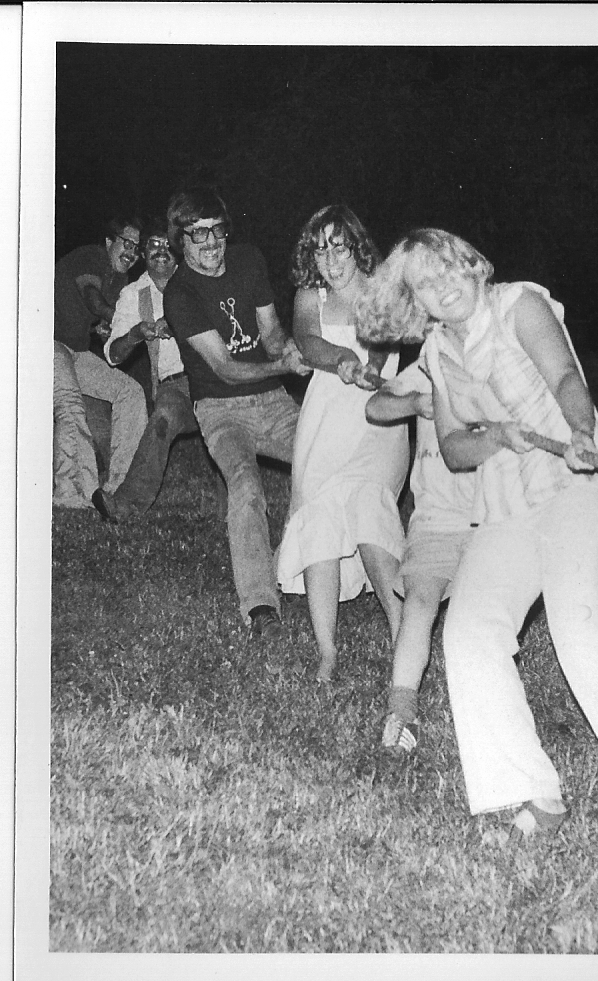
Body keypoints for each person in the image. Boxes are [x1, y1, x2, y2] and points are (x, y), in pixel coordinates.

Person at [356, 228, 598, 838]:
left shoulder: (520, 304)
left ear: (471, 264)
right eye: (424, 283)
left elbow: (566, 378)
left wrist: (580, 431)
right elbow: (453, 448)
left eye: (447, 268)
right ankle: (533, 791)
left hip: (576, 489)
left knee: (577, 628)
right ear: (415, 300)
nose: (442, 286)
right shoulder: (437, 354)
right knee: (469, 631)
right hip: (504, 512)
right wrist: (497, 436)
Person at [163, 187, 310, 640]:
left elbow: (271, 332)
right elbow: (225, 369)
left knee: (323, 461)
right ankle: (261, 604)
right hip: (220, 408)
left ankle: (289, 563)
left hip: (273, 399)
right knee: (245, 486)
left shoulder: (248, 260)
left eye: (217, 230)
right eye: (197, 233)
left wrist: (291, 352)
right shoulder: (179, 293)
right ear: (181, 241)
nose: (210, 242)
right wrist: (282, 366)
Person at [276, 206, 409, 683]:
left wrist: (369, 363)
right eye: (320, 250)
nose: (330, 260)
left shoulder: (384, 292)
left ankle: (403, 635)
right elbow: (308, 340)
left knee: (370, 507)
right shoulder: (309, 297)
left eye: (339, 247)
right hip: (325, 420)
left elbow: (385, 339)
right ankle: (327, 651)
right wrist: (342, 358)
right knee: (319, 512)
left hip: (377, 419)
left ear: (357, 246)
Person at [365, 359, 477, 751]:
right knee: (418, 602)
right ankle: (402, 709)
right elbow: (376, 406)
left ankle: (486, 702)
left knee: (480, 616)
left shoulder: (501, 362)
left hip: (492, 518)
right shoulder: (431, 363)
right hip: (435, 520)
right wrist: (415, 402)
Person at [94, 218, 226, 522]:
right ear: (143, 252)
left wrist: (182, 322)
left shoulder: (198, 277)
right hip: (175, 388)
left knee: (227, 429)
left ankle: (234, 508)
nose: (162, 250)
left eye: (168, 244)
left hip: (213, 374)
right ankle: (124, 506)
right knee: (162, 418)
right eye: (154, 244)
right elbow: (113, 355)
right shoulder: (133, 294)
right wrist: (137, 333)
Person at [53, 215, 148, 511]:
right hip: (45, 342)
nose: (131, 253)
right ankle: (71, 491)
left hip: (75, 351)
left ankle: (119, 486)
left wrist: (102, 329)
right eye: (126, 243)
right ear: (109, 242)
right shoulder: (90, 256)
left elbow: (92, 316)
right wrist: (121, 320)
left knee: (131, 392)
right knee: (70, 404)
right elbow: (93, 300)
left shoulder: (120, 280)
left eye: (137, 248)